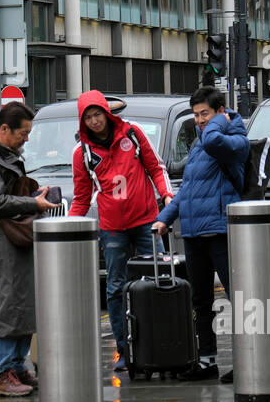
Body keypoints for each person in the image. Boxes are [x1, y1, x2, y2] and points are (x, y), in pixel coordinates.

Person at [68, 90, 173, 373]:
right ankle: (124, 349)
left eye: (97, 114)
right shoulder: (83, 153)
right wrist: (66, 229)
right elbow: (81, 197)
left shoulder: (133, 134)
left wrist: (166, 196)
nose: (94, 121)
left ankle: (163, 343)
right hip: (112, 228)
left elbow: (156, 167)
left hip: (147, 221)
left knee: (159, 280)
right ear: (82, 121)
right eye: (88, 117)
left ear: (107, 113)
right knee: (115, 288)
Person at [152, 86, 248, 382]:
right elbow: (189, 189)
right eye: (195, 115)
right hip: (195, 232)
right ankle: (207, 361)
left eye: (204, 113)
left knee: (239, 298)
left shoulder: (234, 139)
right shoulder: (199, 144)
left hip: (220, 230)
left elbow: (216, 139)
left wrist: (221, 119)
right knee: (200, 300)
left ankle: (249, 361)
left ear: (220, 111)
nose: (199, 120)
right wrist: (165, 218)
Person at [0, 101, 59, 397]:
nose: (26, 138)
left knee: (24, 305)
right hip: (3, 244)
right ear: (4, 129)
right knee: (8, 307)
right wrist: (33, 203)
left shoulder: (6, 155)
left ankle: (16, 366)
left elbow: (9, 195)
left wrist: (34, 195)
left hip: (17, 240)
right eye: (23, 133)